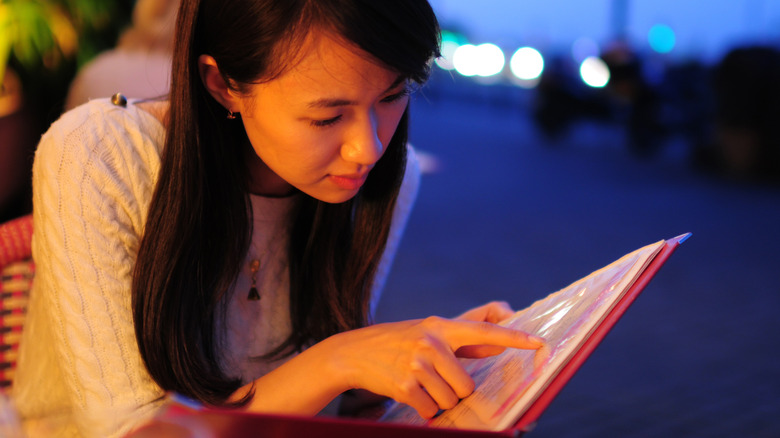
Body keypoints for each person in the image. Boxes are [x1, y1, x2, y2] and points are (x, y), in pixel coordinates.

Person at [11, 1, 545, 437]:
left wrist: (430, 363)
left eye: (392, 95)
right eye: (327, 116)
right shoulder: (99, 155)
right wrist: (341, 359)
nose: (368, 148)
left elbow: (320, 399)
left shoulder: (387, 181)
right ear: (221, 83)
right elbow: (129, 430)